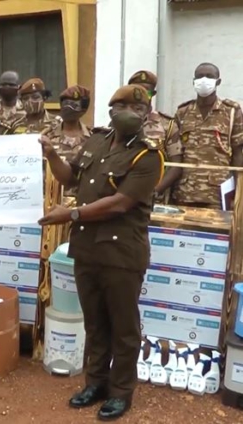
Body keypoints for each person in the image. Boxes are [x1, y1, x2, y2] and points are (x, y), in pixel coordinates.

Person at [38, 84, 164, 421]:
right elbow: (70, 179)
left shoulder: (148, 156)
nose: (131, 114)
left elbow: (120, 203)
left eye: (138, 109)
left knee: (123, 327)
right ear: (112, 111)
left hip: (122, 254)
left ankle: (121, 392)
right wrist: (52, 155)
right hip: (87, 249)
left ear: (146, 114)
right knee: (94, 324)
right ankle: (95, 383)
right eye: (123, 108)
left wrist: (71, 214)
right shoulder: (95, 141)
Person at [167, 62, 243, 209]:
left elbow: (238, 154)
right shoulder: (183, 112)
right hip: (184, 192)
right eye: (200, 76)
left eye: (209, 76)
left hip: (218, 194)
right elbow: (175, 153)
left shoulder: (231, 111)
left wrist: (238, 192)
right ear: (193, 81)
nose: (204, 80)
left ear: (218, 81)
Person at [127, 70, 183, 200]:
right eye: (137, 91)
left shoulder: (167, 125)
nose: (141, 96)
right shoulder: (118, 122)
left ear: (153, 94)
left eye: (146, 92)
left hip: (154, 197)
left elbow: (176, 166)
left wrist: (154, 191)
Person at [41, 85, 92, 162]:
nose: (67, 108)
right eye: (65, 104)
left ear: (83, 110)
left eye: (73, 105)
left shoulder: (92, 137)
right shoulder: (47, 136)